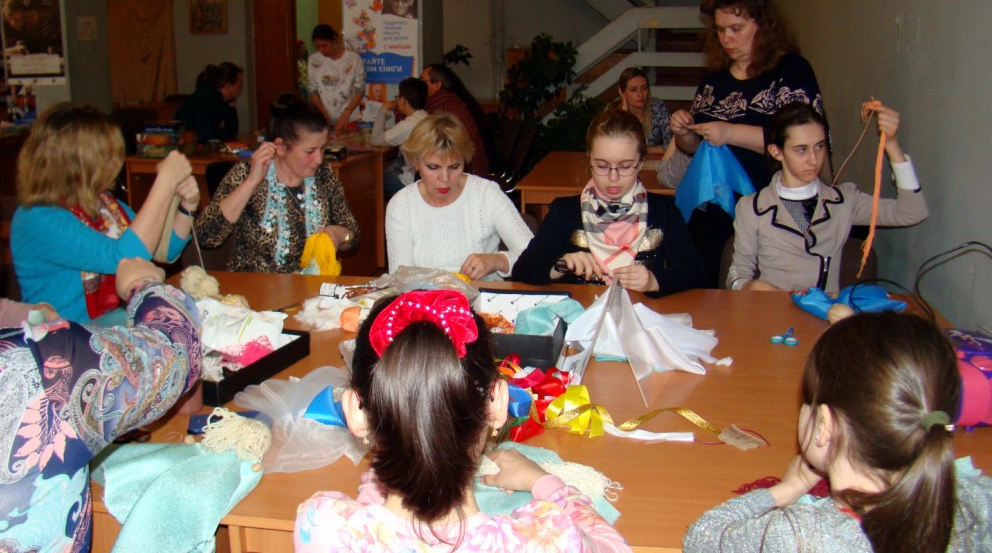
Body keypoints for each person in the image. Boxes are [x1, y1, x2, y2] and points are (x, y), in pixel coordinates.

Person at [0, 143, 204, 549]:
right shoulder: (49, 368)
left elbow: (160, 246)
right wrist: (145, 286)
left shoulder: (103, 206)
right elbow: (175, 351)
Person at [294, 290, 632, 552]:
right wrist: (546, 483)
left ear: (354, 412)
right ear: (497, 402)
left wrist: (386, 473)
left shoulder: (321, 525)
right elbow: (613, 546)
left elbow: (369, 526)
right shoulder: (547, 540)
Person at [684, 311, 992, 552]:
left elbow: (703, 537)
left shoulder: (800, 536)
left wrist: (786, 489)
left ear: (824, 426)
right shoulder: (976, 502)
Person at [668, 0, 823, 288]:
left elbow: (798, 140)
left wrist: (731, 132)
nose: (727, 38)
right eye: (720, 30)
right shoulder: (714, 77)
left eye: (736, 29)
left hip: (770, 207)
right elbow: (696, 147)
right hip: (712, 210)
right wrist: (684, 131)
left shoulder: (790, 70)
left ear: (763, 25)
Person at [12, 103, 199, 325]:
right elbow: (125, 258)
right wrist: (164, 183)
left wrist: (186, 208)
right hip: (63, 335)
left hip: (104, 326)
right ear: (76, 163)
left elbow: (162, 249)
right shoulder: (39, 218)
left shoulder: (101, 203)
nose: (114, 164)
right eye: (106, 156)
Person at [728, 102, 928, 292]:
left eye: (819, 146)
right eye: (801, 149)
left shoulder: (844, 200)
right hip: (774, 311)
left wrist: (891, 144)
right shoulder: (752, 207)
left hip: (826, 312)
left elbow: (912, 212)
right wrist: (749, 287)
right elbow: (737, 273)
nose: (813, 159)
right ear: (776, 152)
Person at [512, 109, 704, 296]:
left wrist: (654, 281)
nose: (613, 178)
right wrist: (561, 265)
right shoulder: (564, 212)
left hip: (642, 313)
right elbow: (523, 270)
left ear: (640, 163)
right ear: (589, 159)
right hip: (583, 312)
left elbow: (695, 272)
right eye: (602, 166)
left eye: (625, 166)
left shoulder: (663, 210)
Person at [195, 94, 360, 273]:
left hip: (311, 284)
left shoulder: (324, 175)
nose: (319, 159)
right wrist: (251, 182)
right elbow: (207, 236)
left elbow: (353, 235)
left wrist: (340, 236)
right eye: (310, 151)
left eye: (322, 148)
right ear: (280, 147)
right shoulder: (247, 173)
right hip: (254, 284)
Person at [385, 113, 532, 280]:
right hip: (426, 296)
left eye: (454, 166)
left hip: (484, 294)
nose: (445, 178)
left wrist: (498, 260)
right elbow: (400, 277)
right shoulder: (402, 205)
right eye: (433, 167)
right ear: (415, 162)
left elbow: (534, 257)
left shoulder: (485, 194)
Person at [421, 64, 495, 177]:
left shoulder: (441, 106)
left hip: (466, 172)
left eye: (422, 81)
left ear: (437, 85)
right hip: (475, 169)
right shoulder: (451, 101)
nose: (419, 85)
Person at [372, 77, 429, 194]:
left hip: (407, 179)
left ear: (403, 100)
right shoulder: (426, 117)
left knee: (371, 180)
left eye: (398, 97)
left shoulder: (407, 125)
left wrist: (384, 109)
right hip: (419, 175)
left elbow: (375, 139)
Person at [308, 24, 366, 134]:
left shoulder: (353, 59)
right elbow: (312, 90)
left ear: (334, 40)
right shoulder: (314, 59)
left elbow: (360, 90)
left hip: (349, 118)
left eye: (324, 45)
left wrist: (347, 112)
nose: (321, 50)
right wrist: (323, 112)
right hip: (324, 120)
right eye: (318, 47)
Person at [174, 62, 244, 143]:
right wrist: (221, 133)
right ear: (227, 86)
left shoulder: (218, 98)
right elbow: (206, 136)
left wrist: (231, 106)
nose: (240, 91)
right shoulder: (211, 99)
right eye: (239, 86)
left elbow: (231, 133)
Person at [609, 67, 671, 155]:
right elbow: (612, 146)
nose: (640, 94)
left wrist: (645, 150)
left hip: (655, 161)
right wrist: (623, 113)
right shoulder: (613, 111)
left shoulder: (657, 106)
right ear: (622, 92)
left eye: (644, 88)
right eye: (633, 90)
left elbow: (672, 145)